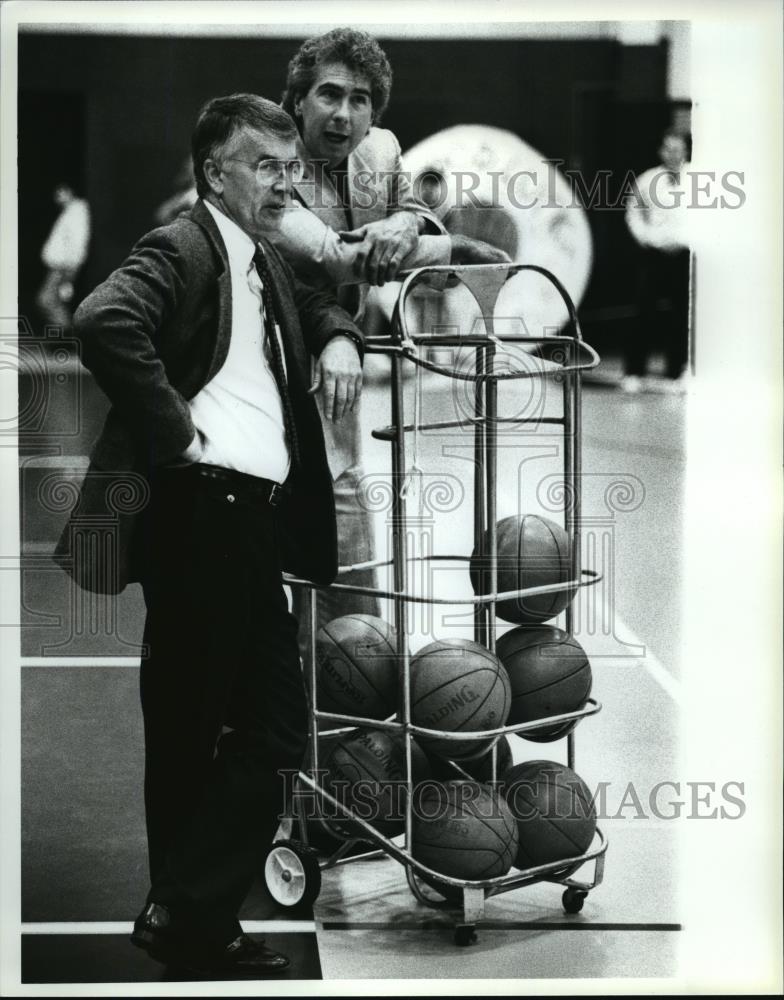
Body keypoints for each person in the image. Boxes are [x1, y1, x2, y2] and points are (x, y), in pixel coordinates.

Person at [54, 94, 364, 976]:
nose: (283, 181)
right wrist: (176, 431)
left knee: (245, 729)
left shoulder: (260, 255)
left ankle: (185, 911)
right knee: (230, 728)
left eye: (289, 166)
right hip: (204, 514)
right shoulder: (185, 244)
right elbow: (103, 319)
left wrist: (339, 335)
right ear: (214, 173)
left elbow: (317, 301)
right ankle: (190, 914)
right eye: (263, 165)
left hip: (245, 524)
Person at [276, 27, 509, 647]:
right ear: (298, 99)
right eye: (328, 94)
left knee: (350, 560)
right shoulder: (265, 157)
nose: (343, 113)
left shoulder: (380, 151)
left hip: (334, 380)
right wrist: (451, 245)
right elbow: (332, 256)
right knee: (275, 570)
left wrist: (406, 223)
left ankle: (353, 711)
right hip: (259, 376)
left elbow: (415, 210)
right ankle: (283, 720)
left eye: (359, 100)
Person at [622, 129, 692, 393]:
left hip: (685, 253)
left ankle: (677, 373)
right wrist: (646, 238)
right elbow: (633, 212)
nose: (672, 154)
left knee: (681, 314)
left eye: (678, 149)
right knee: (643, 312)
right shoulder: (648, 179)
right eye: (668, 149)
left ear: (685, 151)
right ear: (660, 151)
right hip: (654, 254)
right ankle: (633, 373)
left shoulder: (700, 178)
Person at [36, 182, 90, 328]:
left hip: (64, 267)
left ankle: (69, 336)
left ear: (70, 191)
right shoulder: (69, 212)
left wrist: (71, 270)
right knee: (53, 301)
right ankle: (67, 338)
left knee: (46, 300)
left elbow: (78, 242)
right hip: (61, 267)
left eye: (61, 192)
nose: (57, 197)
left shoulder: (77, 211)